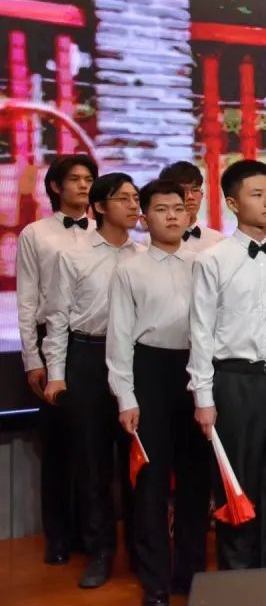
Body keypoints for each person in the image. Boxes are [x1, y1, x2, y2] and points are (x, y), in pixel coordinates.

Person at [187, 159, 266, 570]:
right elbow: (201, 333)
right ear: (232, 203)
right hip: (234, 382)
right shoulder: (213, 260)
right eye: (257, 194)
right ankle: (237, 575)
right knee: (236, 484)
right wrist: (204, 397)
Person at [105, 179, 209, 605]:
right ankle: (156, 581)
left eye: (178, 208)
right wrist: (126, 397)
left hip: (197, 372)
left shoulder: (204, 264)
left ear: (188, 214)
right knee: (150, 483)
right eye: (161, 209)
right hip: (149, 371)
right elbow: (119, 337)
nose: (172, 216)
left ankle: (191, 573)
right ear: (145, 218)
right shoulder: (129, 269)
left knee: (196, 479)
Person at [43, 172, 143, 588]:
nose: (134, 206)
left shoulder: (145, 254)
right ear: (99, 207)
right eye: (124, 199)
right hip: (88, 355)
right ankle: (100, 550)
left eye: (136, 198)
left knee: (138, 460)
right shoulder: (74, 255)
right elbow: (57, 319)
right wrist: (56, 374)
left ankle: (141, 549)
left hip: (136, 360)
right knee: (92, 460)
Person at [16, 154, 97, 567]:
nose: (84, 186)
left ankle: (90, 532)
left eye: (89, 179)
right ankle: (58, 537)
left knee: (94, 447)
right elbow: (27, 299)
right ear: (55, 187)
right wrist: (33, 358)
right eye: (76, 179)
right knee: (59, 448)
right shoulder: (36, 234)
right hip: (53, 343)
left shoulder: (105, 232)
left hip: (97, 346)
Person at [160, 161, 224, 253]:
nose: (190, 197)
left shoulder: (218, 241)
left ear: (201, 194)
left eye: (195, 190)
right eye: (183, 190)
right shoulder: (151, 243)